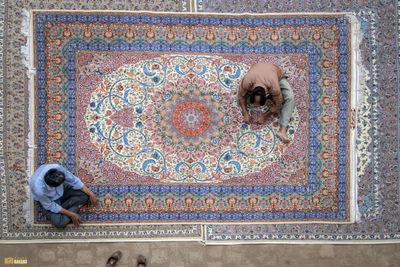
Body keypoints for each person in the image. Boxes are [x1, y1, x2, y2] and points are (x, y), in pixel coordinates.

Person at [238, 62, 295, 144]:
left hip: (275, 74)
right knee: (239, 99)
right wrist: (245, 113)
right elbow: (241, 96)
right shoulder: (247, 82)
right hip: (257, 72)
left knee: (290, 98)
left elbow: (278, 103)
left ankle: (282, 131)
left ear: (267, 95)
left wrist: (264, 116)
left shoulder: (274, 87)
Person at [29, 164, 98, 228]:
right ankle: (73, 208)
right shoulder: (39, 190)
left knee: (85, 195)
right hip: (50, 199)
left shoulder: (57, 168)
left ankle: (61, 209)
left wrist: (91, 193)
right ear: (51, 185)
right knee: (59, 223)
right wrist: (71, 214)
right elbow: (50, 205)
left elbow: (74, 181)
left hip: (62, 190)